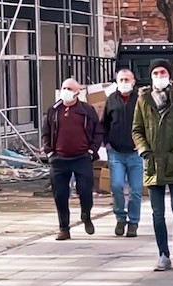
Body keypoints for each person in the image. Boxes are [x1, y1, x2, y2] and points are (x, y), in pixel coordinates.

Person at [132, 59, 173, 271]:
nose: (159, 76)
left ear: (169, 75)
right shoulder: (143, 100)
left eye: (163, 72)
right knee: (157, 213)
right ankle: (163, 253)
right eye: (155, 73)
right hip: (153, 163)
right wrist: (144, 150)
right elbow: (137, 129)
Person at [43, 78, 103, 241]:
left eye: (69, 88)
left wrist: (92, 151)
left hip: (81, 158)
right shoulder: (53, 110)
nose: (65, 91)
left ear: (77, 92)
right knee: (60, 194)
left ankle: (86, 215)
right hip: (59, 160)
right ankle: (64, 228)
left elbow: (98, 132)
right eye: (63, 88)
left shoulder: (87, 110)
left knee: (85, 190)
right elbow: (46, 133)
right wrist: (49, 153)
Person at [102, 69, 142, 237]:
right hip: (116, 153)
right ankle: (120, 217)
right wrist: (107, 144)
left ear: (133, 82)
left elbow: (147, 124)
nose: (124, 82)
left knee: (136, 191)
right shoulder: (111, 100)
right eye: (121, 79)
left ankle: (133, 222)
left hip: (136, 153)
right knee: (117, 186)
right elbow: (104, 124)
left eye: (127, 79)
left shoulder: (140, 100)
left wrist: (143, 145)